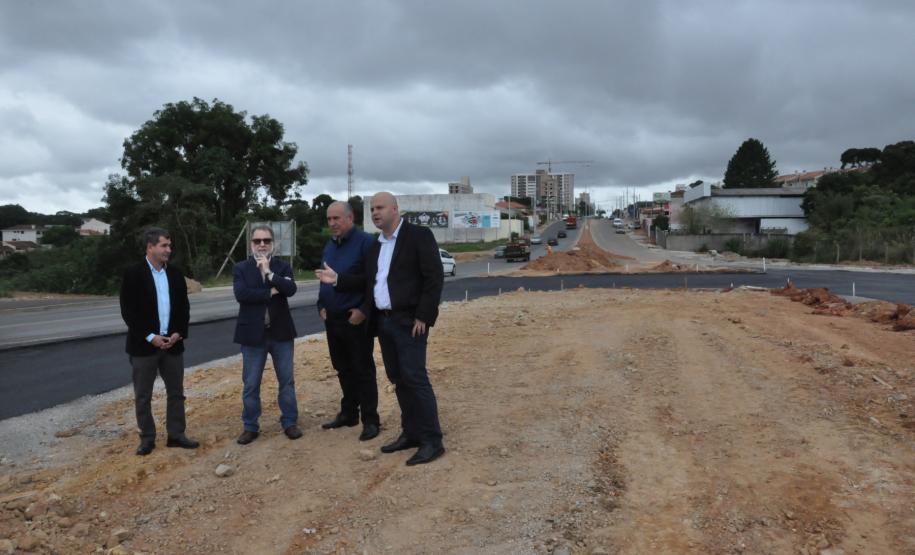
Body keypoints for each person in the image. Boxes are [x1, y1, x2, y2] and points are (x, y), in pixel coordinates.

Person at [356, 192, 445, 466]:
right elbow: (369, 282)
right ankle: (412, 432)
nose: (375, 212)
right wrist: (337, 279)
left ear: (395, 209)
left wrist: (424, 316)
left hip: (410, 322)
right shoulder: (376, 245)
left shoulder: (418, 236)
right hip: (384, 322)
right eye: (372, 208)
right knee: (398, 379)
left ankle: (432, 440)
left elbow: (434, 277)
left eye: (380, 207)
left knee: (415, 378)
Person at [119, 227, 199, 456]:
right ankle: (147, 438)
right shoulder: (133, 273)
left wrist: (178, 332)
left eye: (169, 245)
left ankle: (176, 435)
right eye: (164, 245)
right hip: (144, 346)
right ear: (150, 247)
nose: (168, 250)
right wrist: (150, 336)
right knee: (143, 395)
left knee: (176, 393)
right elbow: (129, 311)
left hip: (173, 344)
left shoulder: (175, 273)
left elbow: (183, 307)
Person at [315, 201, 380, 441]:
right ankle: (349, 413)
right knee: (342, 368)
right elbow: (325, 277)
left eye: (336, 218)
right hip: (332, 319)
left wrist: (364, 310)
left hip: (355, 319)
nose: (332, 223)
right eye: (329, 219)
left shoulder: (366, 243)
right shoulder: (330, 245)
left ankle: (370, 420)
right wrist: (321, 305)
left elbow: (373, 280)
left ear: (350, 218)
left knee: (363, 369)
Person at [232, 224, 302, 444]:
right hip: (252, 335)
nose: (262, 244)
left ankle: (289, 422)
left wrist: (269, 273)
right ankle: (250, 426)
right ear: (251, 244)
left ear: (273, 243)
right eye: (257, 241)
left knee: (287, 381)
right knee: (251, 384)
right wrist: (271, 291)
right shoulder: (241, 268)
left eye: (266, 240)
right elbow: (241, 294)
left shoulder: (282, 267)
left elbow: (291, 290)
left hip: (281, 333)